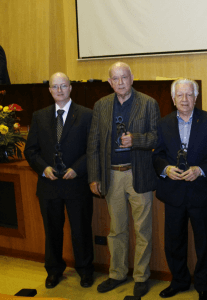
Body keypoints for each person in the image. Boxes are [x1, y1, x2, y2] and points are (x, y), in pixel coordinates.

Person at [87, 62, 160, 297]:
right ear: (109, 82)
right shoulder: (101, 105)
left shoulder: (148, 103)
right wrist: (95, 176)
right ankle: (117, 274)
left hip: (138, 175)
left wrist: (135, 139)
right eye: (115, 79)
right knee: (116, 229)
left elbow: (157, 138)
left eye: (124, 78)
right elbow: (94, 143)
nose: (120, 83)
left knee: (142, 230)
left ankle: (141, 276)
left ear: (132, 78)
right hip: (111, 175)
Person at [24, 72, 94, 289]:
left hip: (76, 183)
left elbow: (93, 148)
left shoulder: (87, 115)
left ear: (71, 88)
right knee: (52, 231)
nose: (60, 90)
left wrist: (77, 168)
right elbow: (31, 150)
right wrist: (43, 168)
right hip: (49, 184)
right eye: (55, 87)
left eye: (63, 86)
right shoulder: (39, 116)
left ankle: (85, 270)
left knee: (81, 230)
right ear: (50, 90)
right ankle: (54, 270)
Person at [153, 79, 207, 300]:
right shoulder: (163, 123)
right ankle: (179, 281)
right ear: (173, 99)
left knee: (203, 243)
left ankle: (203, 285)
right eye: (179, 95)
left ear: (196, 97)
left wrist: (200, 170)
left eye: (189, 95)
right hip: (173, 193)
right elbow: (157, 155)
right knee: (174, 242)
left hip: (200, 192)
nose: (184, 99)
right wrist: (166, 168)